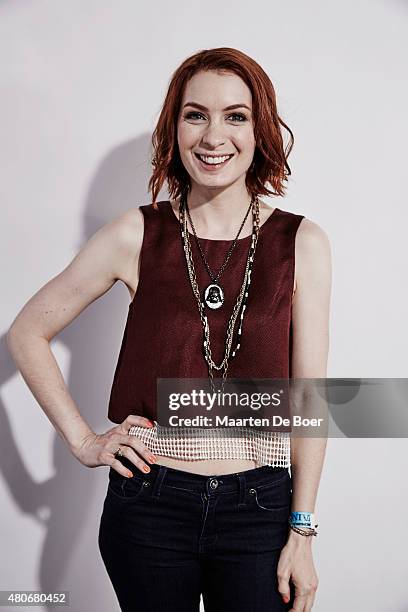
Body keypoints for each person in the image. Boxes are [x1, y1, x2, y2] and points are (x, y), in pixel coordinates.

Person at [7, 47, 331, 612]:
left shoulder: (302, 244)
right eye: (195, 114)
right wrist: (84, 442)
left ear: (260, 131)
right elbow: (26, 332)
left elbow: (310, 399)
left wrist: (302, 532)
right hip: (150, 503)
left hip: (260, 506)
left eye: (236, 116)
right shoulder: (136, 233)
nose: (213, 136)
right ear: (174, 127)